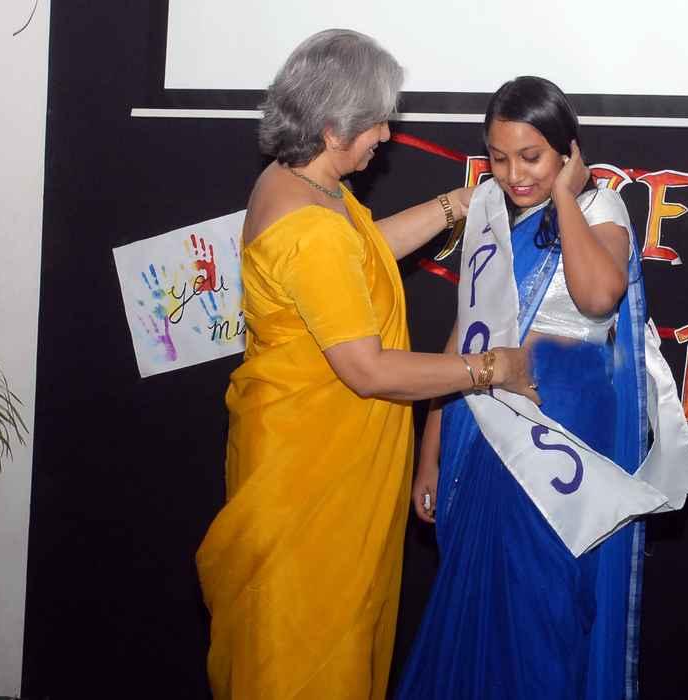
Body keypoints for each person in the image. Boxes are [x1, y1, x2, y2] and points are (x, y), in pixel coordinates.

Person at [194, 31, 538, 700]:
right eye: (377, 121)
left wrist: (456, 204)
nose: (386, 133)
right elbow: (369, 371)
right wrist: (493, 368)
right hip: (313, 478)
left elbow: (361, 255)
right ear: (332, 130)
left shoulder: (298, 180)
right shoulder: (310, 230)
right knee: (307, 656)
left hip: (321, 459)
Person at [395, 77, 688, 699]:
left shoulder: (600, 208)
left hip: (561, 432)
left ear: (567, 150)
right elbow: (463, 337)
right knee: (477, 599)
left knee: (544, 603)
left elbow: (598, 296)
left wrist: (564, 196)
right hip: (483, 427)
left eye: (531, 157)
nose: (514, 175)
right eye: (499, 158)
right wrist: (430, 449)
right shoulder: (493, 218)